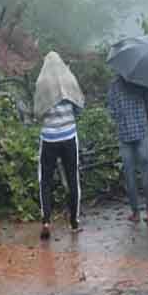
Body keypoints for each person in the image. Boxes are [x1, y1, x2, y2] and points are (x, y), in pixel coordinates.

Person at [34, 52, 85, 239]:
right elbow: (79, 106)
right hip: (69, 136)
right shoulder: (69, 79)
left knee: (45, 181)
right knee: (73, 179)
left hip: (49, 138)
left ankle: (46, 220)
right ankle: (74, 222)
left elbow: (38, 112)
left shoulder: (42, 83)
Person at [107, 75, 148, 224]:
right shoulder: (141, 82)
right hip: (141, 132)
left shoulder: (114, 85)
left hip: (124, 134)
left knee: (130, 175)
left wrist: (121, 118)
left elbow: (112, 110)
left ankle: (135, 213)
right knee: (146, 172)